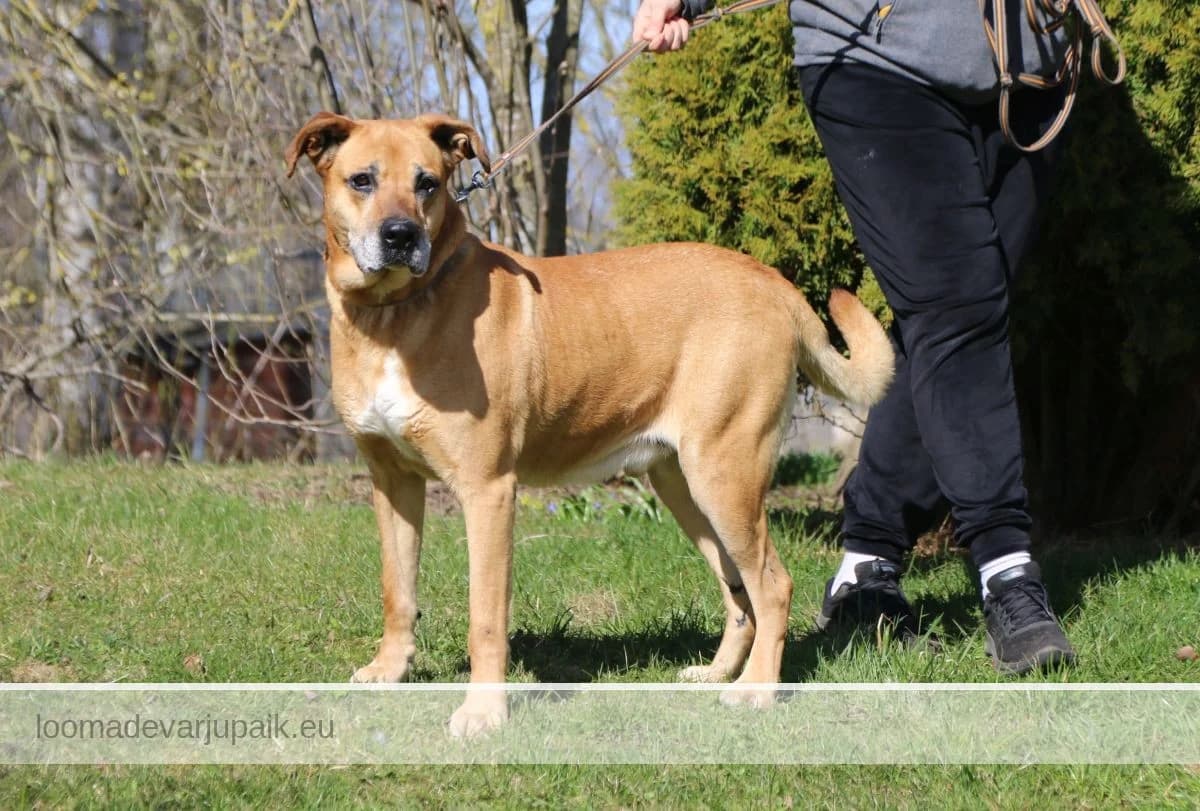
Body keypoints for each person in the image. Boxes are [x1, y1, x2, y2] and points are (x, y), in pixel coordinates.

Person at [631, 0, 1076, 673]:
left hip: (1033, 60)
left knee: (958, 317)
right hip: (876, 55)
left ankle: (866, 565)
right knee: (957, 309)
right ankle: (1007, 572)